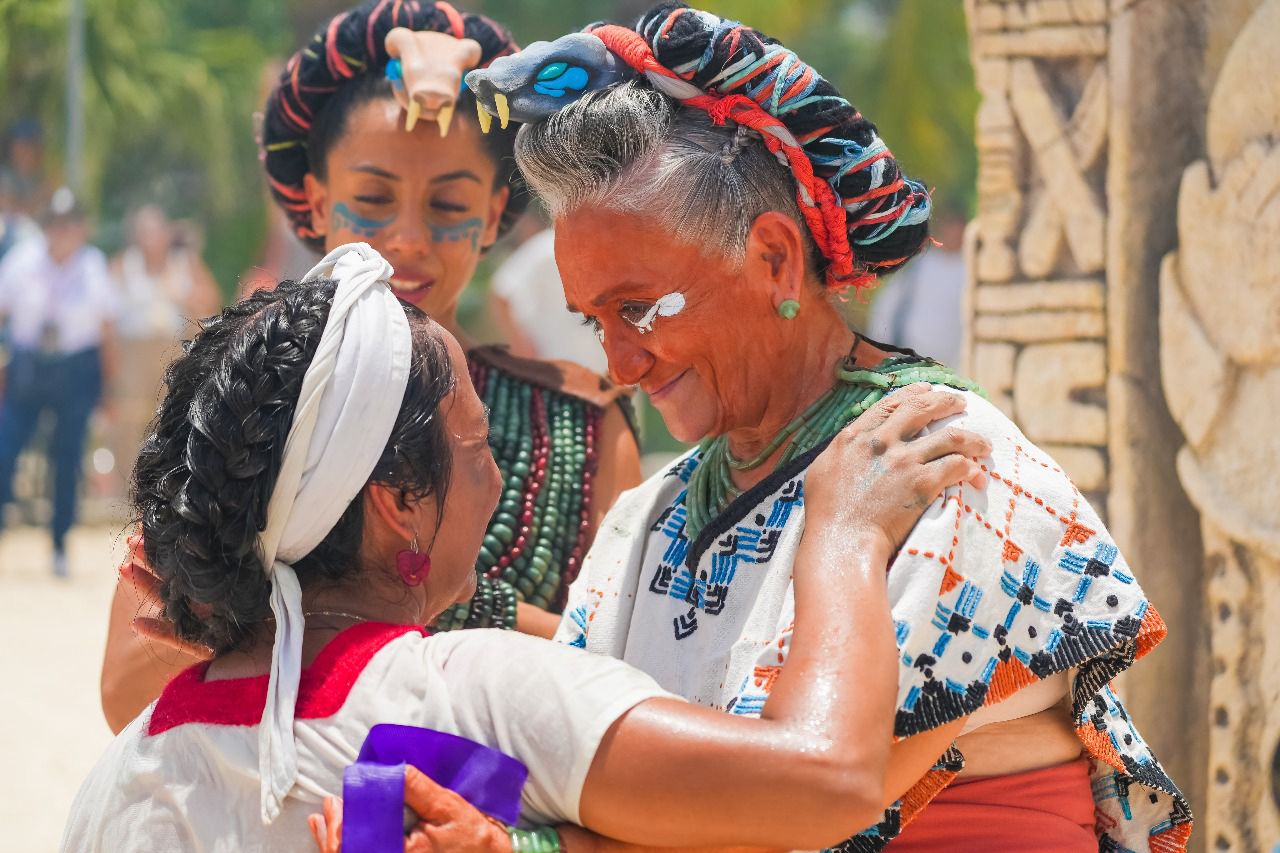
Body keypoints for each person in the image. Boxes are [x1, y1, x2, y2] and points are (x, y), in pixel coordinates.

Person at [368, 4, 1189, 850]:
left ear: (774, 258)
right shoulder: (649, 517)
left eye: (639, 308)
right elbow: (598, 782)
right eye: (593, 321)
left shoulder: (944, 458)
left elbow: (790, 810)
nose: (621, 363)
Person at [62, 242, 990, 851]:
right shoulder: (469, 695)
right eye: (476, 446)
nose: (499, 477)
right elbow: (826, 778)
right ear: (400, 501)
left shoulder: (121, 779)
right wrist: (843, 535)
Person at [98, 0, 643, 733]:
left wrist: (452, 607)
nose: (407, 238)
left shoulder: (579, 428)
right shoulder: (235, 409)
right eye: (374, 199)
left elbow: (632, 676)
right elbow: (125, 696)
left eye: (447, 203)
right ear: (316, 203)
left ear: (492, 216)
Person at [0, 187, 118, 577]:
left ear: (81, 228)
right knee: (6, 448)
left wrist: (107, 386)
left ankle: (59, 544)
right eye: (56, 223)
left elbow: (106, 330)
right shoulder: (22, 261)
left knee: (66, 459)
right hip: (29, 366)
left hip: (74, 369)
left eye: (70, 224)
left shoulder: (93, 266)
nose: (62, 232)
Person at [109, 204, 220, 491]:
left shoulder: (185, 264)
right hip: (134, 352)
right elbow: (106, 313)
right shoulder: (124, 265)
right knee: (131, 421)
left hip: (172, 350)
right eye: (144, 232)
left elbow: (211, 303)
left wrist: (182, 296)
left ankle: (167, 485)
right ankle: (128, 490)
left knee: (169, 416)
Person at [489, 215, 608, 373]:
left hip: (597, 370)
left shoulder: (605, 254)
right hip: (557, 364)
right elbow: (501, 290)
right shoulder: (546, 247)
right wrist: (521, 347)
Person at [867, 211, 967, 368]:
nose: (953, 234)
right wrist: (879, 343)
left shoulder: (970, 268)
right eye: (950, 228)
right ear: (942, 229)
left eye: (958, 229)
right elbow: (889, 302)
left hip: (954, 361)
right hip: (913, 355)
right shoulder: (920, 263)